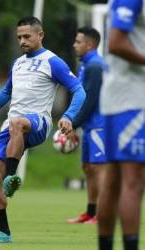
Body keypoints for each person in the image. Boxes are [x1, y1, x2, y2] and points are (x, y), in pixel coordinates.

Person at [0, 16, 86, 244]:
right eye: (19, 37)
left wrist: (68, 116)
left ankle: (11, 176)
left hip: (38, 122)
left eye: (27, 36)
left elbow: (79, 91)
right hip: (13, 126)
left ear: (40, 35)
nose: (22, 41)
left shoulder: (52, 61)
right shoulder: (18, 63)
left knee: (16, 124)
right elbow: (5, 93)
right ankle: (3, 232)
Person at [98, 0, 145, 249]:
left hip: (121, 98)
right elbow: (116, 43)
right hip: (131, 99)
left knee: (114, 180)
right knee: (133, 181)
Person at [67, 27, 107, 225]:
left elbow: (91, 101)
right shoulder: (86, 65)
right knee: (88, 167)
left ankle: (103, 214)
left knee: (99, 169)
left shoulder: (96, 66)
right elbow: (82, 98)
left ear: (89, 44)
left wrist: (74, 124)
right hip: (90, 125)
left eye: (78, 41)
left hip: (100, 125)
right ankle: (91, 213)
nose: (75, 45)